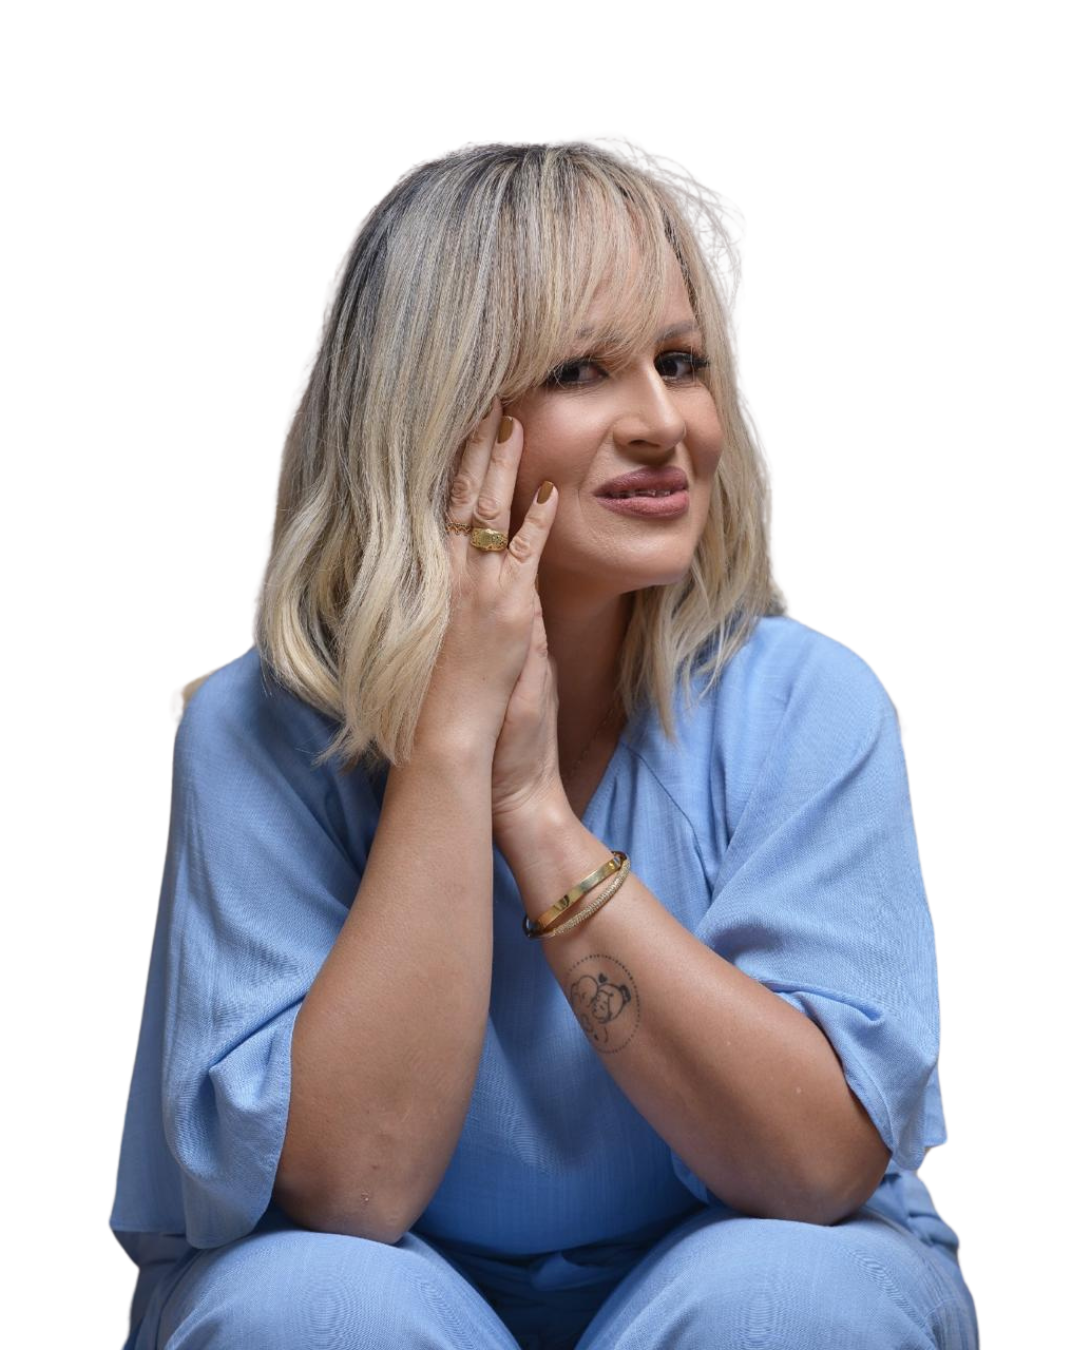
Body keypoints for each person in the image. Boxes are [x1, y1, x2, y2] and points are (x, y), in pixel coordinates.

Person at [109, 135, 981, 1349]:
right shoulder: (255, 730)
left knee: (794, 1295)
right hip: (394, 1284)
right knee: (303, 1307)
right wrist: (449, 751)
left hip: (729, 1276)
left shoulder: (810, 704)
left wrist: (532, 813)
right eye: (581, 370)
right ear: (434, 413)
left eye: (680, 362)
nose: (664, 424)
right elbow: (351, 1191)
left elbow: (814, 1169)